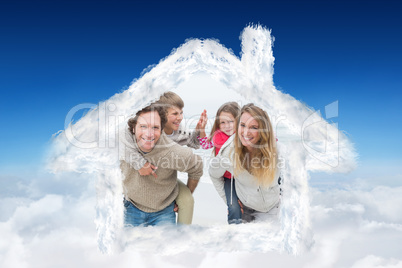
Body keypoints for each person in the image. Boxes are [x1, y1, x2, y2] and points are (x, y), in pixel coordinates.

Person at [119, 91, 207, 224]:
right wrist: (139, 163)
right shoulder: (131, 133)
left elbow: (197, 144)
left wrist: (200, 131)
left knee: (187, 200)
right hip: (136, 195)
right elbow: (120, 137)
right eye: (175, 113)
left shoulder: (178, 134)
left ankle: (182, 236)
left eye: (181, 112)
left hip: (167, 179)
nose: (180, 117)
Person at [209, 103, 280, 223]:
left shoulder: (276, 150)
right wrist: (230, 202)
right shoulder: (228, 152)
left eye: (254, 127)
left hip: (275, 207)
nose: (246, 133)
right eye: (242, 125)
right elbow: (214, 174)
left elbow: (291, 178)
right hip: (247, 211)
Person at [198, 102, 242, 224]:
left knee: (249, 205)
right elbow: (205, 145)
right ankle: (235, 228)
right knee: (233, 206)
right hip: (228, 179)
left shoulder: (242, 135)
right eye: (223, 122)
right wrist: (202, 129)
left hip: (243, 176)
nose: (227, 126)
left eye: (231, 121)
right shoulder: (217, 136)